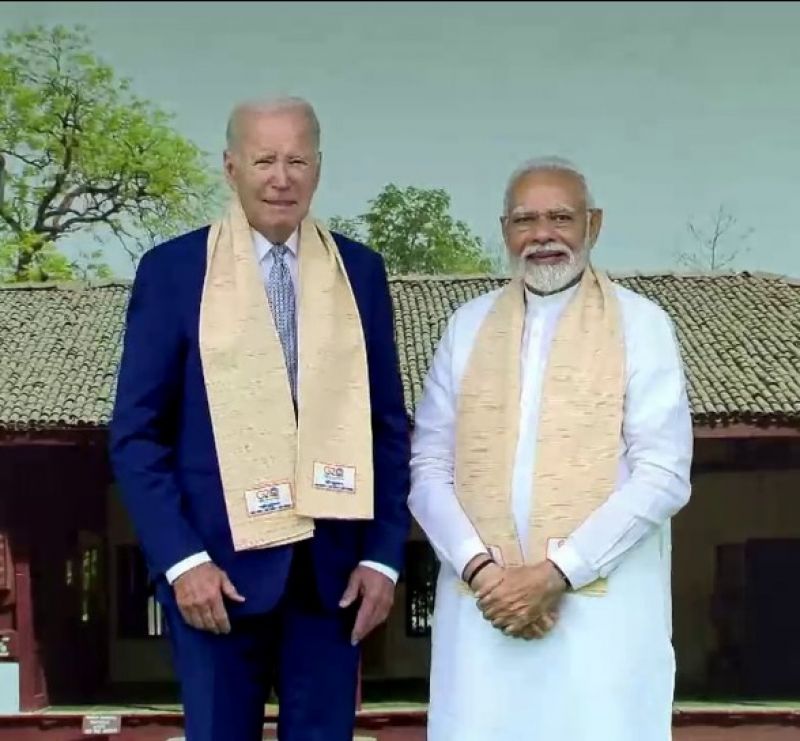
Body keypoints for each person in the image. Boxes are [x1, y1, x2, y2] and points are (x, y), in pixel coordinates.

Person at [109, 97, 411, 741]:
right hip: (216, 580)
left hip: (334, 581)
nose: (282, 176)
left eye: (297, 159)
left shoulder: (358, 272)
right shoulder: (174, 271)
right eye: (264, 159)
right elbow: (138, 436)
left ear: (319, 169)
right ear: (230, 168)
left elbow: (387, 426)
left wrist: (384, 559)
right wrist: (182, 561)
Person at [409, 156, 693, 740]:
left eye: (560, 217)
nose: (542, 235)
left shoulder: (642, 326)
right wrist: (482, 570)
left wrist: (556, 572)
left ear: (594, 224)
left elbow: (663, 474)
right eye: (524, 220)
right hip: (482, 610)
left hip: (599, 620)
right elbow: (429, 466)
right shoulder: (467, 327)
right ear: (504, 229)